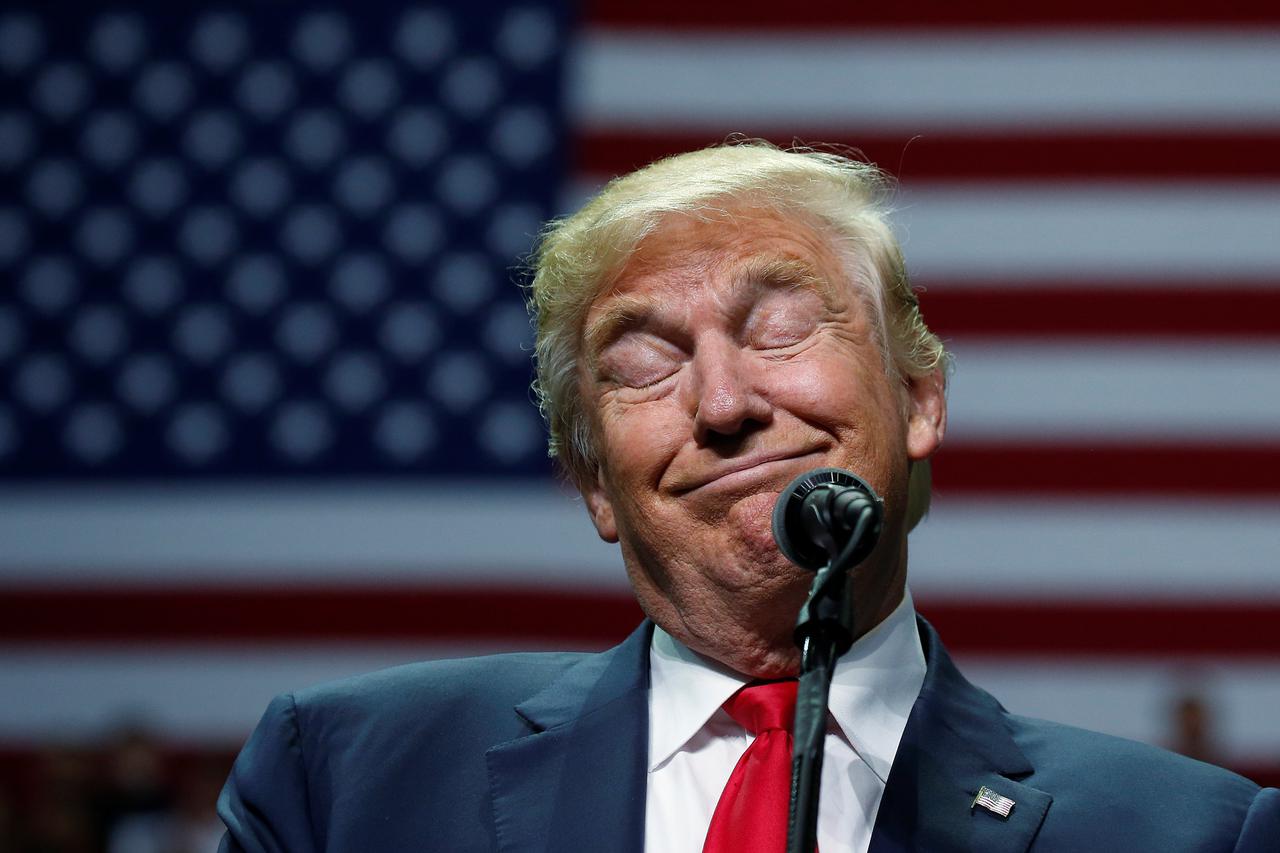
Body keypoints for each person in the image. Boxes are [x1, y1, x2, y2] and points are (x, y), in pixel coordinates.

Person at [218, 142, 1279, 852]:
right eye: (641, 360)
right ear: (593, 481)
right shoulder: (348, 788)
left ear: (918, 398)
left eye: (778, 328)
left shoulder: (1190, 836)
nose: (723, 402)